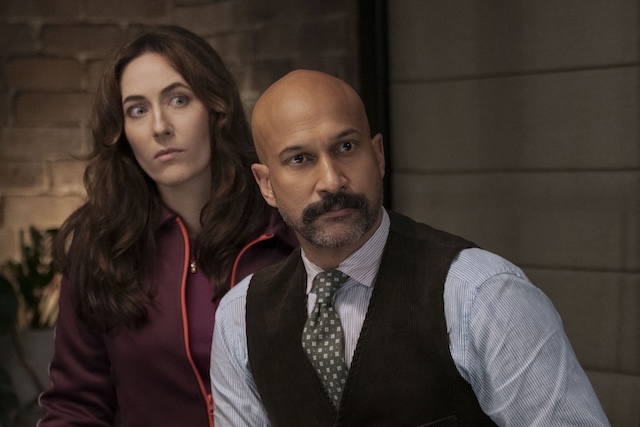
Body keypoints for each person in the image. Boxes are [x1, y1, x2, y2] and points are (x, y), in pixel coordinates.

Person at [210, 69, 610, 426]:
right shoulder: (238, 319)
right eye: (300, 159)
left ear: (378, 155)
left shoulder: (482, 294)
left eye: (346, 147)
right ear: (266, 184)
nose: (331, 181)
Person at [38, 26, 297, 427]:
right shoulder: (100, 246)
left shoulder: (283, 225)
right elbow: (75, 407)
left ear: (216, 107)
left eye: (178, 100)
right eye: (137, 110)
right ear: (122, 132)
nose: (159, 126)